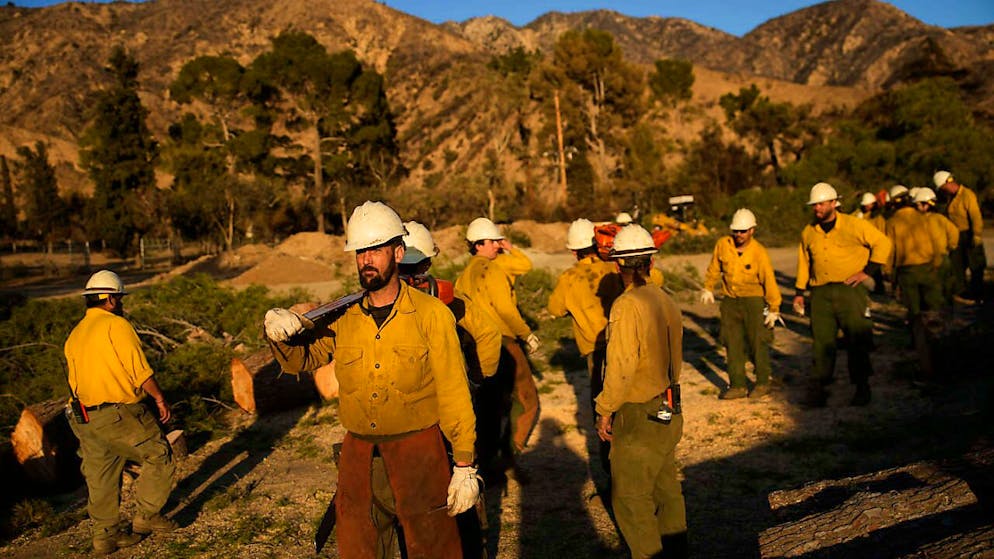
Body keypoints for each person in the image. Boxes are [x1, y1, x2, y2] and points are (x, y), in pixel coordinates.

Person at [264, 201, 478, 559]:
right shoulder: (343, 317)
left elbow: (455, 393)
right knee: (360, 548)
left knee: (432, 547)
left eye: (376, 250)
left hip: (419, 454)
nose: (366, 259)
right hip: (359, 457)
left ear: (397, 252)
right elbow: (303, 358)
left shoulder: (431, 316)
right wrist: (275, 332)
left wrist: (465, 466)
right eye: (361, 251)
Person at [64, 270, 177, 555]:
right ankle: (147, 516)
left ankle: (105, 538)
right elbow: (138, 370)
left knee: (101, 476)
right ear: (112, 300)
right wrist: (160, 398)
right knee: (159, 454)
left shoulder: (75, 334)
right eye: (120, 298)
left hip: (84, 417)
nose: (121, 303)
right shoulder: (116, 325)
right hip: (118, 411)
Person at [595, 224, 687, 559]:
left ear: (618, 264)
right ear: (650, 262)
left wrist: (604, 409)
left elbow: (620, 367)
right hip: (669, 405)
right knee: (666, 492)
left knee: (631, 500)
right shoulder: (666, 299)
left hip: (639, 415)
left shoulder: (626, 305)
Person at [455, 217, 541, 481]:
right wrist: (526, 334)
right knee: (528, 402)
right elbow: (505, 308)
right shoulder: (492, 270)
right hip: (503, 340)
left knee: (489, 406)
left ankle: (486, 462)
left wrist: (506, 247)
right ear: (479, 244)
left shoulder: (463, 276)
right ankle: (510, 457)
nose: (497, 246)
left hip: (476, 346)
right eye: (493, 241)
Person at [793, 182, 892, 407]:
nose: (817, 208)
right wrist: (799, 292)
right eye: (814, 205)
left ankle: (862, 387)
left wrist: (867, 272)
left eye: (821, 204)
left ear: (834, 203)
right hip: (820, 293)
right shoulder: (809, 232)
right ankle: (819, 388)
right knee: (821, 342)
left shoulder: (853, 225)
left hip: (849, 290)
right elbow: (804, 263)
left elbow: (883, 243)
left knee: (856, 339)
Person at [548, 218, 624, 472]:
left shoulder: (569, 277)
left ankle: (609, 466)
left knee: (602, 406)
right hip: (621, 343)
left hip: (594, 349)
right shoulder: (613, 269)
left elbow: (555, 309)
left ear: (573, 250)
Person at [700, 208, 782, 400]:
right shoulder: (723, 245)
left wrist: (774, 307)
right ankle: (737, 384)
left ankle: (763, 382)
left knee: (757, 342)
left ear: (752, 230)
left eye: (743, 231)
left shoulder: (759, 252)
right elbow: (714, 267)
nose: (738, 235)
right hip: (730, 300)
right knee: (732, 342)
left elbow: (769, 279)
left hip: (753, 300)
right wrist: (708, 287)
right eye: (735, 231)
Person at [885, 188, 944, 379]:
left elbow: (889, 250)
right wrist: (936, 263)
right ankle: (940, 352)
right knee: (934, 310)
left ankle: (923, 359)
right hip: (927, 268)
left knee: (916, 315)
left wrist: (888, 272)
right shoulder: (922, 218)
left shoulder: (892, 222)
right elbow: (935, 243)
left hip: (907, 272)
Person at [934, 170, 986, 304]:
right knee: (957, 266)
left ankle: (977, 295)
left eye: (942, 188)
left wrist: (977, 234)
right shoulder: (949, 197)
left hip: (969, 234)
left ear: (947, 183)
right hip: (956, 236)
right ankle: (961, 293)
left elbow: (975, 216)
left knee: (976, 265)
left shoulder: (967, 195)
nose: (942, 191)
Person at [914, 187, 960, 305]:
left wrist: (951, 246)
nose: (917, 207)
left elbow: (954, 232)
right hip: (932, 258)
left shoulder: (937, 219)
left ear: (927, 204)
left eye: (919, 205)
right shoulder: (923, 220)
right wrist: (951, 246)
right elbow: (954, 233)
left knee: (941, 286)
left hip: (936, 259)